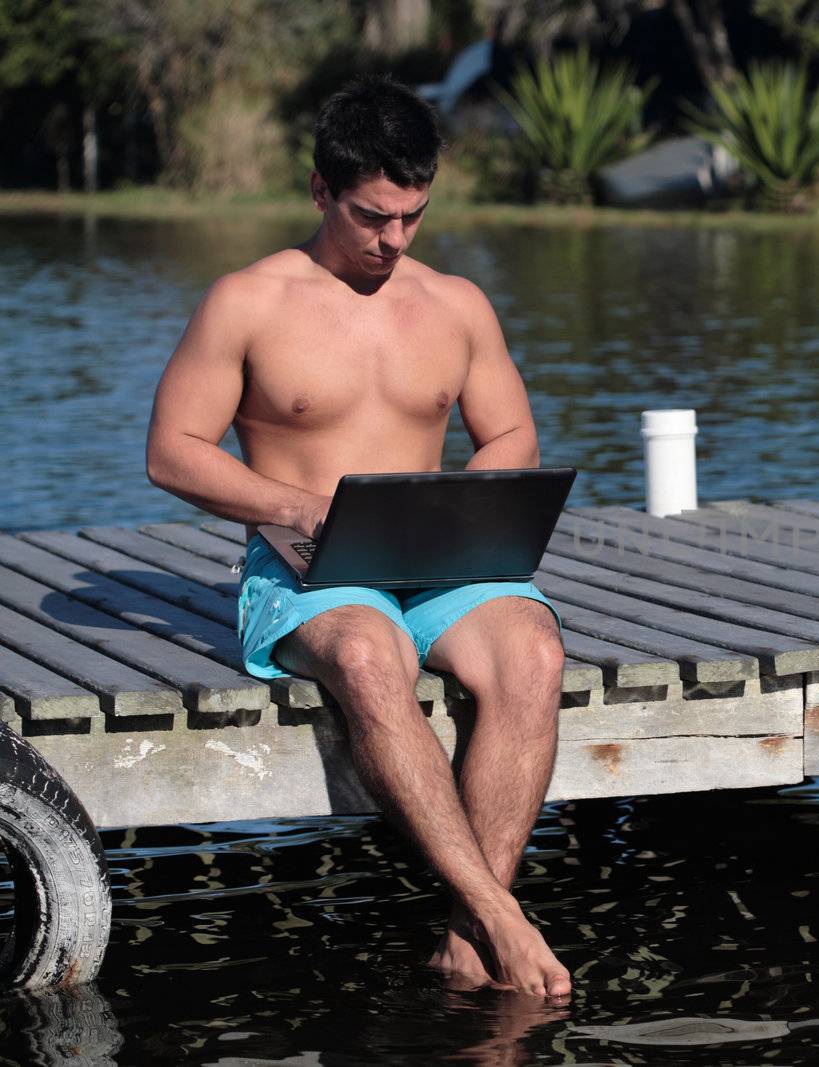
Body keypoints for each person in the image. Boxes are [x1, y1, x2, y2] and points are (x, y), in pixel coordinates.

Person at [145, 74, 571, 999]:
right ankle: (500, 915)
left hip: (437, 558)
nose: (394, 240)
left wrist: (462, 505)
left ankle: (467, 935)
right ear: (318, 191)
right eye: (373, 217)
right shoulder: (247, 301)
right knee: (373, 657)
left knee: (533, 651)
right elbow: (172, 453)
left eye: (413, 216)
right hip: (311, 568)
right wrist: (297, 510)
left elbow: (512, 434)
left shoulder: (456, 304)